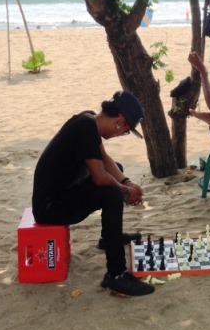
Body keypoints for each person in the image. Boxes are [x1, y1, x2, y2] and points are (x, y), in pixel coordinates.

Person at [32, 90, 155, 297]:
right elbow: (99, 178)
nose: (121, 135)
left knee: (116, 169)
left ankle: (108, 239)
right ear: (120, 123)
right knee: (112, 194)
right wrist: (125, 192)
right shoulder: (86, 128)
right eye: (126, 132)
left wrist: (127, 182)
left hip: (62, 193)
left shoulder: (88, 120)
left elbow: (105, 160)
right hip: (50, 208)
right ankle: (116, 274)